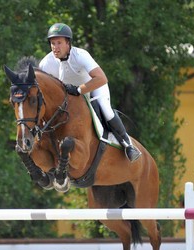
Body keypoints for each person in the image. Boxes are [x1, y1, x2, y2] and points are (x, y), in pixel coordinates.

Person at [39, 23, 141, 162]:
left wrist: (79, 89)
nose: (55, 47)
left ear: (68, 43)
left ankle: (128, 145)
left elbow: (101, 78)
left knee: (106, 110)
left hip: (93, 87)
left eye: (59, 43)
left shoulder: (80, 55)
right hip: (70, 96)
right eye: (52, 43)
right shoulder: (46, 63)